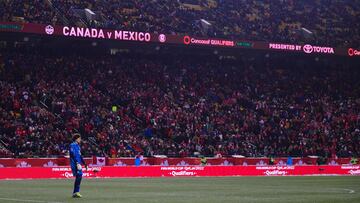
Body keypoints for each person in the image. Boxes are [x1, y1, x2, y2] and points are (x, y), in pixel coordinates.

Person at [69, 133, 87, 198]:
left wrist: (84, 163)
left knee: (79, 176)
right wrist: (76, 163)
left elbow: (80, 155)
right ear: (76, 139)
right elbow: (72, 154)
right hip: (75, 163)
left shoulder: (78, 146)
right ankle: (76, 192)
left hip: (78, 163)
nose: (80, 139)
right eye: (79, 138)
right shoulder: (72, 145)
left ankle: (76, 192)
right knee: (79, 176)